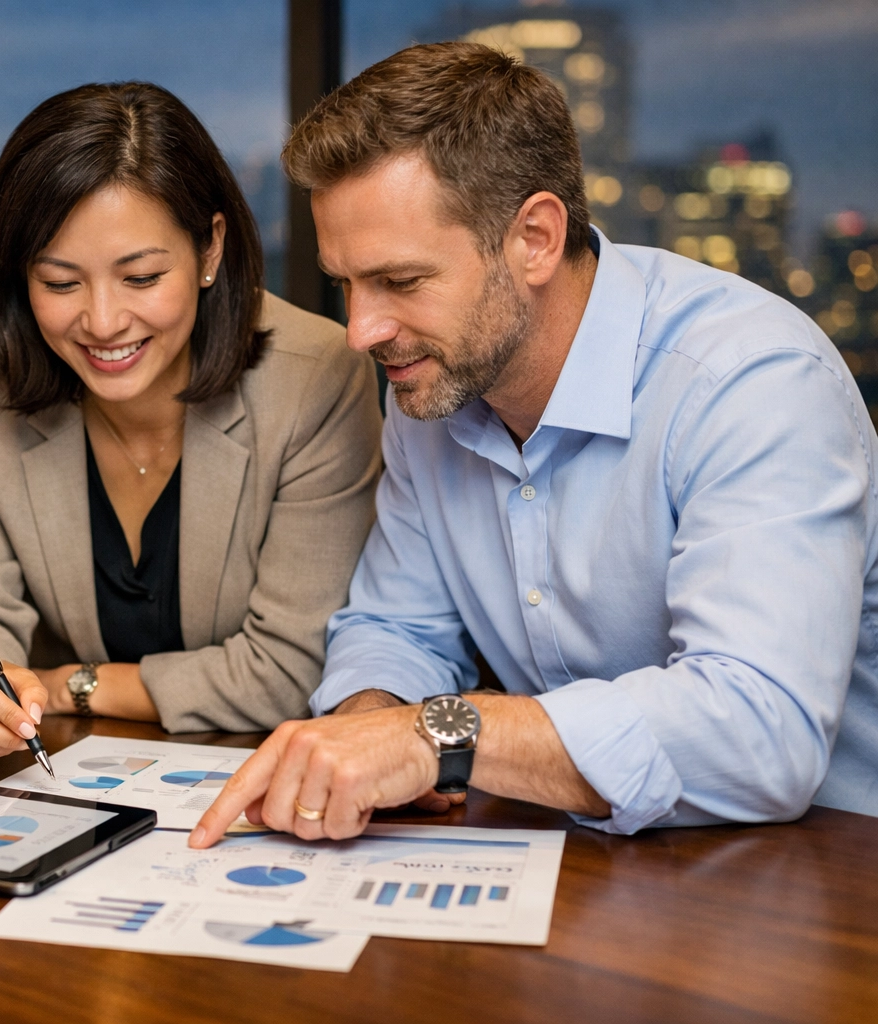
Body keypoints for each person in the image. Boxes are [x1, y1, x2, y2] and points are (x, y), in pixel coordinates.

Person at [192, 42, 878, 848]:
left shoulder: (751, 382)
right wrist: (369, 728)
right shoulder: (432, 384)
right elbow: (396, 630)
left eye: (401, 282)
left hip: (819, 878)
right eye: (346, 282)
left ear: (537, 238)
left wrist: (437, 738)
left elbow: (761, 734)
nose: (361, 330)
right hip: (579, 868)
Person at [0, 82, 381, 758]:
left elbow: (288, 669)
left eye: (139, 278)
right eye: (61, 283)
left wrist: (73, 684)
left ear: (210, 250)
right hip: (67, 787)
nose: (102, 322)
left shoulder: (314, 379)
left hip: (252, 778)